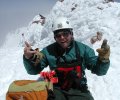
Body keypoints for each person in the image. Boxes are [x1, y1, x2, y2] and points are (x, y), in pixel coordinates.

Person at [23, 17, 110, 100]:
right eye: (58, 35)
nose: (62, 38)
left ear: (71, 34)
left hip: (79, 90)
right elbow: (33, 71)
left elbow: (100, 71)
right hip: (56, 89)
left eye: (65, 34)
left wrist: (103, 60)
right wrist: (29, 58)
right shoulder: (48, 51)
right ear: (54, 37)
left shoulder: (84, 50)